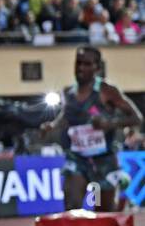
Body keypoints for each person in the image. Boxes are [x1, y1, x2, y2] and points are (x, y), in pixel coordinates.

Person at [42, 47, 142, 212]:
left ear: (97, 68)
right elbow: (65, 118)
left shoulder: (107, 91)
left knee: (105, 212)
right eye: (78, 63)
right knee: (71, 205)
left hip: (104, 160)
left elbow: (136, 118)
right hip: (77, 157)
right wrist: (52, 125)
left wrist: (108, 123)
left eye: (87, 64)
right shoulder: (68, 92)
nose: (80, 68)